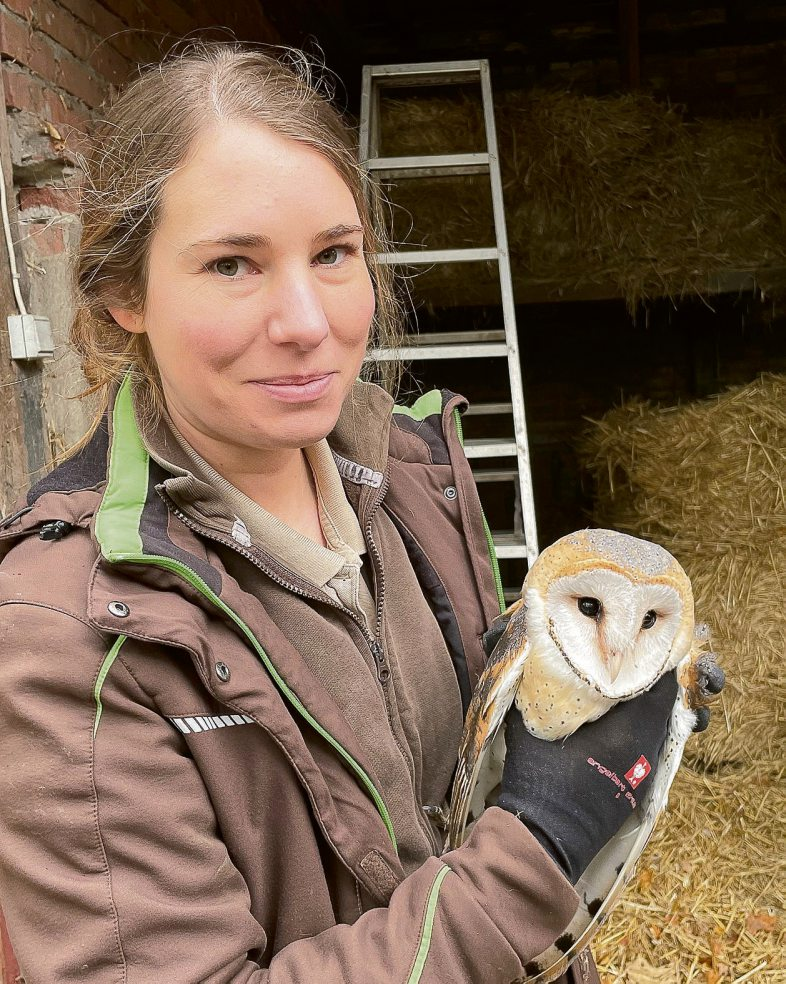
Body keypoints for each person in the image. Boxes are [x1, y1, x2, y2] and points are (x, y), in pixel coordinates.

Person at [0, 44, 715, 984]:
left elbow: (459, 790)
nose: (306, 319)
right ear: (123, 294)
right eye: (231, 264)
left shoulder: (412, 480)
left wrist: (587, 701)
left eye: (334, 253)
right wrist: (542, 845)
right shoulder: (68, 634)